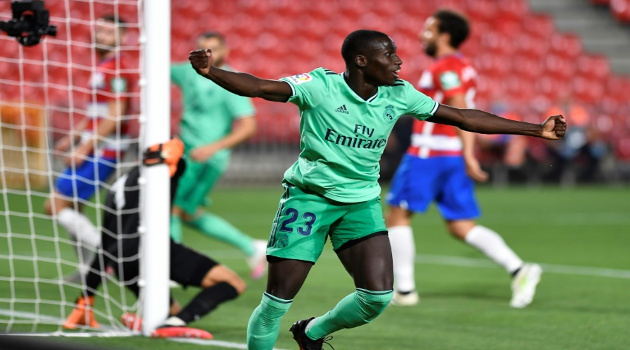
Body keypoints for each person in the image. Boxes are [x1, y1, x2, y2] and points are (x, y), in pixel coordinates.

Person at [188, 29, 566, 349]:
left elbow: (464, 116)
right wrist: (211, 72)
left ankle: (312, 333)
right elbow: (260, 87)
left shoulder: (399, 93)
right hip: (309, 199)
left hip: (360, 203)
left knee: (378, 297)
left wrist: (536, 129)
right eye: (390, 55)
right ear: (362, 61)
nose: (399, 62)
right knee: (276, 301)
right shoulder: (320, 86)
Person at [385, 10, 542, 309]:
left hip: (428, 153)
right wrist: (466, 153)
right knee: (459, 225)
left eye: (429, 28)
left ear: (444, 35)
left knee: (397, 216)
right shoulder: (465, 65)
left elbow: (458, 104)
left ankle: (404, 291)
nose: (422, 34)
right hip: (451, 155)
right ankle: (520, 269)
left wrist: (470, 152)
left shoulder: (445, 66)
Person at [62, 139, 245, 338]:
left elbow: (105, 244)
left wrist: (85, 298)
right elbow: (179, 166)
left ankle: (164, 321)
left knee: (172, 310)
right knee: (233, 283)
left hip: (122, 263)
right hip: (153, 250)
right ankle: (172, 324)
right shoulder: (162, 173)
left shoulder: (118, 184)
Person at [44, 15, 136, 282]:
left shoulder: (116, 69)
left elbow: (116, 115)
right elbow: (97, 112)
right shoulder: (103, 66)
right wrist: (73, 137)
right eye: (100, 30)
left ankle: (110, 262)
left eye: (109, 32)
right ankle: (90, 270)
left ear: (121, 38)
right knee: (75, 207)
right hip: (94, 146)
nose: (102, 35)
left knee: (55, 204)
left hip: (104, 150)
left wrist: (85, 146)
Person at [170, 31, 267, 279]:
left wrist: (213, 147)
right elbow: (157, 68)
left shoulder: (230, 82)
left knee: (170, 209)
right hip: (186, 153)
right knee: (187, 212)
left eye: (212, 49)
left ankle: (171, 269)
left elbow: (249, 126)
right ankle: (252, 247)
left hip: (206, 158)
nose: (206, 54)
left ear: (225, 52)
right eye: (202, 49)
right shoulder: (186, 72)